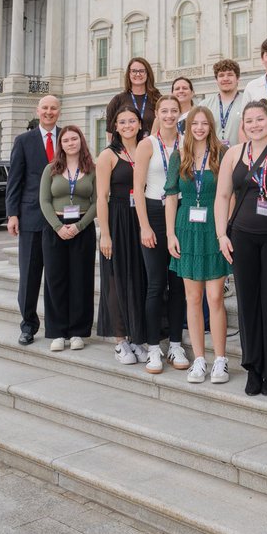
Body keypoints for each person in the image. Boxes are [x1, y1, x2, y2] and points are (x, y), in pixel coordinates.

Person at [214, 99, 267, 395]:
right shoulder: (232, 155)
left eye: (259, 119)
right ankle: (253, 367)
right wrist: (221, 235)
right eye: (249, 120)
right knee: (248, 303)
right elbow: (223, 196)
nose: (254, 125)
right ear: (244, 125)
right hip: (242, 237)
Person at [165, 107, 230, 384]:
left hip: (213, 229)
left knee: (215, 298)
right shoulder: (179, 156)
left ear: (211, 127)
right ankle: (200, 359)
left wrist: (223, 231)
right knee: (193, 298)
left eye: (205, 124)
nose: (200, 128)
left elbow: (229, 194)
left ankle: (221, 360)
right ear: (188, 127)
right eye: (195, 124)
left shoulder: (222, 154)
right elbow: (170, 195)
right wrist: (170, 233)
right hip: (187, 228)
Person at [132, 94, 189, 374]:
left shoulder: (186, 143)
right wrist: (144, 225)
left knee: (178, 284)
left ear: (180, 113)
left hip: (181, 214)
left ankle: (176, 343)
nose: (169, 116)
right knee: (156, 284)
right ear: (158, 114)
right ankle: (154, 347)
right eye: (164, 111)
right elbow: (138, 188)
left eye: (173, 111)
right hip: (154, 213)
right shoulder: (147, 144)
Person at [5, 95, 61, 345]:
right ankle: (28, 325)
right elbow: (14, 180)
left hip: (62, 218)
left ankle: (58, 324)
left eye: (53, 108)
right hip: (31, 217)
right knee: (29, 275)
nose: (49, 112)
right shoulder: (24, 141)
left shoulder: (68, 138)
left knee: (57, 275)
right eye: (45, 108)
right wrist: (12, 214)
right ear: (38, 111)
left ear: (59, 111)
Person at [96, 107, 149, 365]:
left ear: (140, 124)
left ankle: (137, 336)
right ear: (115, 127)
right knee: (116, 280)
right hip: (117, 220)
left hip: (141, 219)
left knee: (138, 278)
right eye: (122, 122)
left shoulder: (145, 149)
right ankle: (120, 340)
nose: (128, 125)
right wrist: (104, 234)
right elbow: (101, 197)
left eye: (132, 121)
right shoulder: (108, 155)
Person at [38, 125, 97, 352]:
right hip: (55, 229)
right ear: (60, 145)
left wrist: (80, 226)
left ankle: (78, 332)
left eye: (75, 139)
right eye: (66, 140)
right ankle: (57, 331)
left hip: (82, 229)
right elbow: (44, 201)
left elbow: (96, 201)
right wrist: (57, 226)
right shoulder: (50, 169)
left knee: (81, 280)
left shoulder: (91, 169)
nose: (71, 143)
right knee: (55, 280)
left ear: (81, 141)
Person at [105, 57, 160, 136]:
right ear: (129, 74)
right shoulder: (117, 101)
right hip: (125, 147)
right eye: (134, 71)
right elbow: (110, 135)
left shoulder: (157, 99)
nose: (138, 74)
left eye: (141, 71)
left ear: (147, 74)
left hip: (151, 147)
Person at [202, 59, 244, 147]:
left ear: (237, 78)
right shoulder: (205, 105)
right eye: (221, 75)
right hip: (212, 157)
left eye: (230, 74)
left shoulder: (247, 102)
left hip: (239, 156)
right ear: (216, 80)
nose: (225, 79)